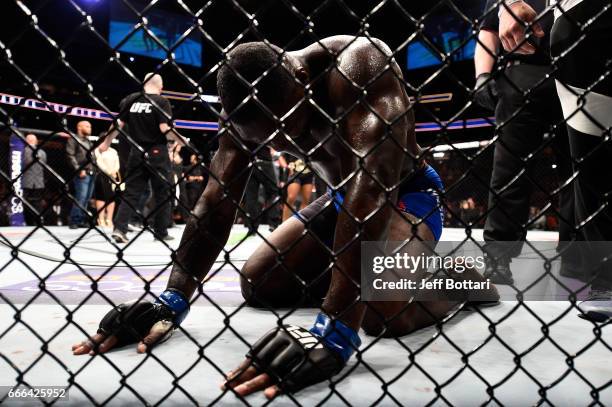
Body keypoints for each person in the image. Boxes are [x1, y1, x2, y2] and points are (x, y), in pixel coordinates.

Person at [71, 37, 495, 398]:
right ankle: (360, 277)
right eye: (268, 139)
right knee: (258, 281)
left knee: (384, 311)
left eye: (286, 127)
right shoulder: (242, 109)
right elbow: (216, 200)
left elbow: (374, 185)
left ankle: (461, 278)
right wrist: (174, 297)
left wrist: (336, 327)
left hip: (404, 195)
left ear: (299, 78)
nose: (284, 142)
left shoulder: (361, 66)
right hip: (338, 199)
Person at [497, 0, 612, 320]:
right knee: (592, 169)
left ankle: (606, 284)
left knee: (594, 170)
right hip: (578, 34)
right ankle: (606, 284)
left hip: (578, 32)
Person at [474, 0, 574, 285]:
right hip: (522, 73)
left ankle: (577, 259)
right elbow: (488, 30)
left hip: (574, 73)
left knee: (579, 168)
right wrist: (482, 74)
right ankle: (497, 257)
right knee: (509, 168)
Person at [99, 73, 186, 243]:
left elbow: (117, 124)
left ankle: (120, 228)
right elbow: (164, 128)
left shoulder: (131, 99)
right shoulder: (161, 101)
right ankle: (160, 232)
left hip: (136, 152)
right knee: (162, 193)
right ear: (160, 87)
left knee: (131, 192)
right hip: (157, 152)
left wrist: (106, 143)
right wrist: (180, 139)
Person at [243, 146, 281, 234]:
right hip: (265, 161)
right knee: (273, 192)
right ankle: (273, 224)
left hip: (250, 162)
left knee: (251, 196)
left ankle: (252, 227)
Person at [65, 121, 95, 229]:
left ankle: (81, 219)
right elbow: (70, 155)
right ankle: (74, 220)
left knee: (87, 198)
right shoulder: (73, 139)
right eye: (87, 126)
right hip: (82, 172)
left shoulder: (88, 141)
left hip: (91, 172)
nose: (90, 128)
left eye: (90, 126)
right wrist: (78, 169)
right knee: (81, 197)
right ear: (79, 127)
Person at [22, 133, 47, 226]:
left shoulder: (24, 151)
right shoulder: (42, 153)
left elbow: (25, 163)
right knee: (37, 202)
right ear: (36, 141)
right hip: (38, 181)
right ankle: (38, 221)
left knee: (28, 203)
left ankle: (30, 222)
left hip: (27, 181)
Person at [93, 146, 120, 228]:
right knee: (101, 197)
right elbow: (98, 162)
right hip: (101, 175)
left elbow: (117, 162)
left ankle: (109, 219)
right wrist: (108, 172)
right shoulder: (97, 150)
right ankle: (100, 219)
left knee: (112, 197)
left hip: (112, 176)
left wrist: (114, 171)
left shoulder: (113, 151)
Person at [281, 154, 314, 221]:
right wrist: (287, 166)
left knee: (306, 200)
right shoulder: (293, 144)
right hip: (295, 172)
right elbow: (282, 155)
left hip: (309, 173)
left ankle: (300, 223)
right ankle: (284, 223)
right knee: (291, 197)